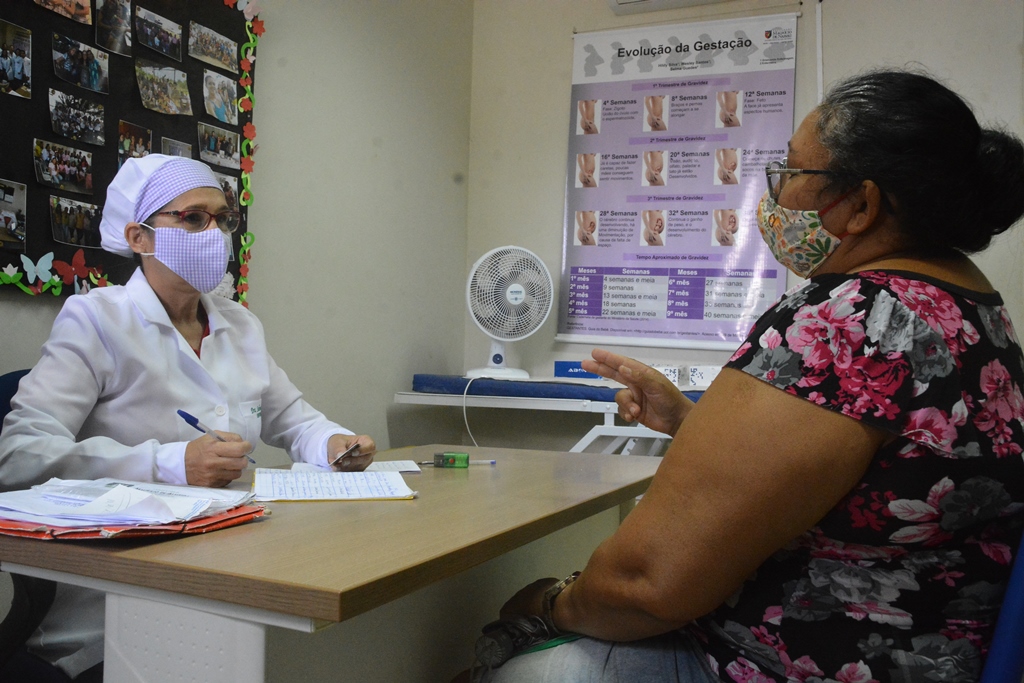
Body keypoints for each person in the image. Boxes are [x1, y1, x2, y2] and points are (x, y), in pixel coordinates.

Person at [471, 70, 1024, 683]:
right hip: (925, 651)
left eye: (790, 173)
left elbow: (647, 584)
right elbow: (859, 470)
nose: (775, 194)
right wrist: (691, 423)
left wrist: (549, 603)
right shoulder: (969, 309)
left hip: (787, 662)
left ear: (862, 205)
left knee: (515, 667)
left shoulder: (851, 322)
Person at [0, 155, 376, 682]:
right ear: (140, 237)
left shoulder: (240, 325)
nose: (215, 234)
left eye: (223, 219)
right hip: (117, 601)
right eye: (194, 218)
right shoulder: (98, 319)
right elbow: (20, 456)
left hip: (238, 563)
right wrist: (171, 464)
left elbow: (291, 418)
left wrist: (334, 442)